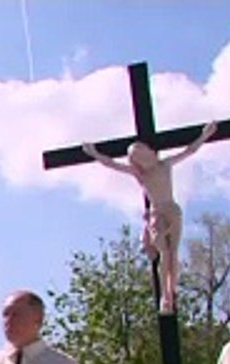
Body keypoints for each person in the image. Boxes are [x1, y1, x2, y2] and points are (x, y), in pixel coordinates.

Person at [83, 121, 217, 314]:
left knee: (173, 252)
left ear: (151, 153)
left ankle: (172, 291)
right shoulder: (141, 175)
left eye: (142, 152)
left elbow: (189, 151)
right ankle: (165, 295)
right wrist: (94, 153)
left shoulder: (165, 165)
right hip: (156, 214)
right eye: (137, 157)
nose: (141, 158)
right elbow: (111, 164)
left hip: (171, 210)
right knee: (165, 253)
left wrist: (205, 135)